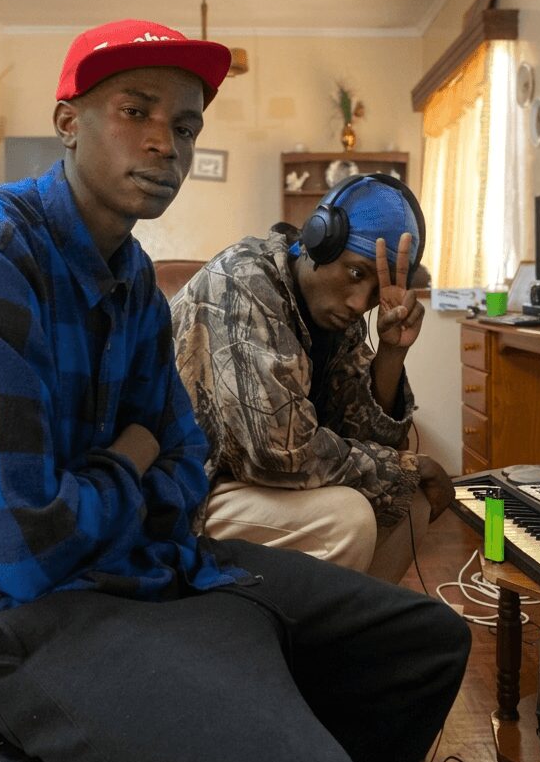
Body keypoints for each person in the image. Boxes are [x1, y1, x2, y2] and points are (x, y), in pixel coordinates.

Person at [0, 18, 471, 762]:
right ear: (67, 120)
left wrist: (87, 470)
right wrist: (124, 458)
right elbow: (21, 547)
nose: (164, 141)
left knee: (422, 640)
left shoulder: (134, 280)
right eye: (134, 110)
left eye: (183, 126)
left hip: (132, 566)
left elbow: (184, 461)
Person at [170, 174, 454, 579]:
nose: (360, 303)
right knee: (348, 517)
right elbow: (278, 454)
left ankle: (351, 633)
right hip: (194, 493)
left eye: (375, 292)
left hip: (259, 487)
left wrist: (392, 352)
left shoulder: (337, 315)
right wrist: (406, 467)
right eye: (356, 274)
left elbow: (364, 439)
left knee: (412, 499)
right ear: (319, 240)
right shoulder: (241, 283)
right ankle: (318, 630)